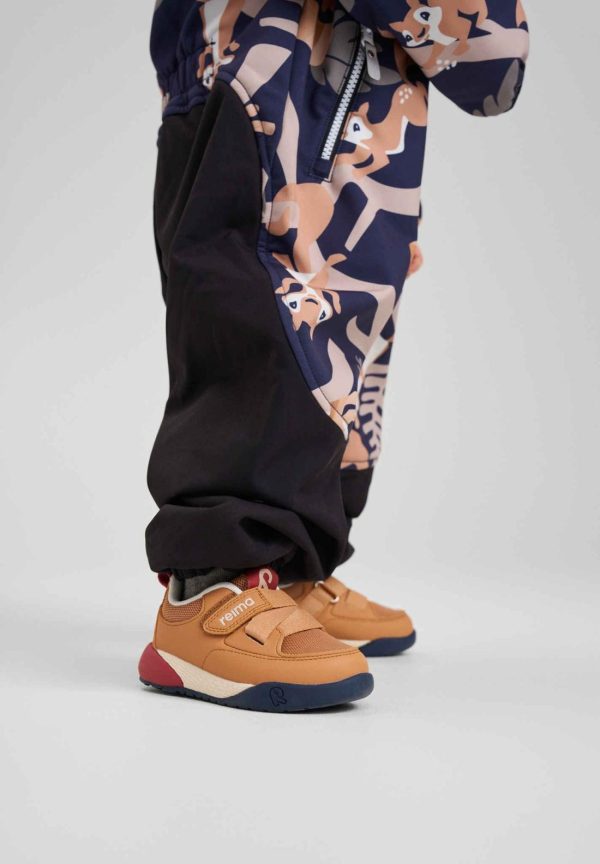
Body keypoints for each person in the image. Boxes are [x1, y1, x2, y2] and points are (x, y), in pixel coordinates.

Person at [138, 0, 529, 711]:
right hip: (275, 50)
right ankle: (212, 585)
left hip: (365, 76)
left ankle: (287, 569)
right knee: (262, 292)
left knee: (346, 318)